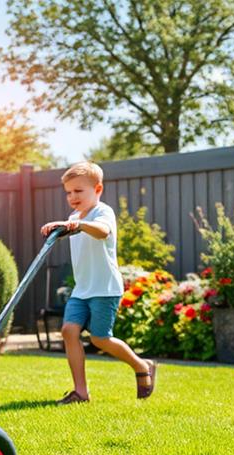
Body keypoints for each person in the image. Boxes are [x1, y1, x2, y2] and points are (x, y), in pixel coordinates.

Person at [40, 161, 156, 404]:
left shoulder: (102, 212)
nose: (73, 197)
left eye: (79, 191)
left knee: (100, 338)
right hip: (82, 290)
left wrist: (78, 225)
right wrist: (59, 227)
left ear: (98, 189)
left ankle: (142, 365)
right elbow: (71, 227)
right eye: (69, 192)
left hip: (105, 288)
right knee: (68, 331)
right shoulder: (73, 217)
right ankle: (81, 392)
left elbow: (102, 231)